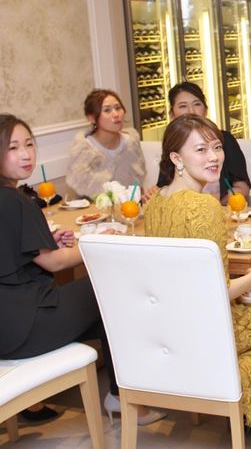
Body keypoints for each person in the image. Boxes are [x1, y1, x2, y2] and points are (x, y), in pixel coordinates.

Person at [0, 114, 164, 426]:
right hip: (26, 326)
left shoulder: (10, 199)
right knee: (110, 288)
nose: (25, 154)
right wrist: (99, 241)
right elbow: (55, 263)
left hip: (6, 327)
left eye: (29, 144)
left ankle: (123, 397)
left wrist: (47, 243)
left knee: (106, 309)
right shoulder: (17, 201)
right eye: (13, 148)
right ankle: (128, 397)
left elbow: (18, 252)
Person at [144, 114, 251, 431]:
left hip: (171, 322)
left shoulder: (155, 203)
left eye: (217, 148)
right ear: (176, 158)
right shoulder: (204, 207)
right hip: (208, 327)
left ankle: (240, 396)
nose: (214, 157)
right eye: (201, 150)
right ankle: (250, 402)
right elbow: (217, 293)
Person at [154, 82, 251, 204]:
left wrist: (216, 205)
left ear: (205, 110)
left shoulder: (224, 138)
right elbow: (163, 185)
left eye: (197, 104)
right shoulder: (172, 144)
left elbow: (242, 186)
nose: (191, 111)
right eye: (183, 106)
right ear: (172, 114)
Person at [66, 89, 146, 198]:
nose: (116, 114)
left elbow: (139, 186)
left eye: (118, 108)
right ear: (92, 118)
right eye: (107, 110)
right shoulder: (83, 151)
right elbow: (81, 196)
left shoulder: (131, 143)